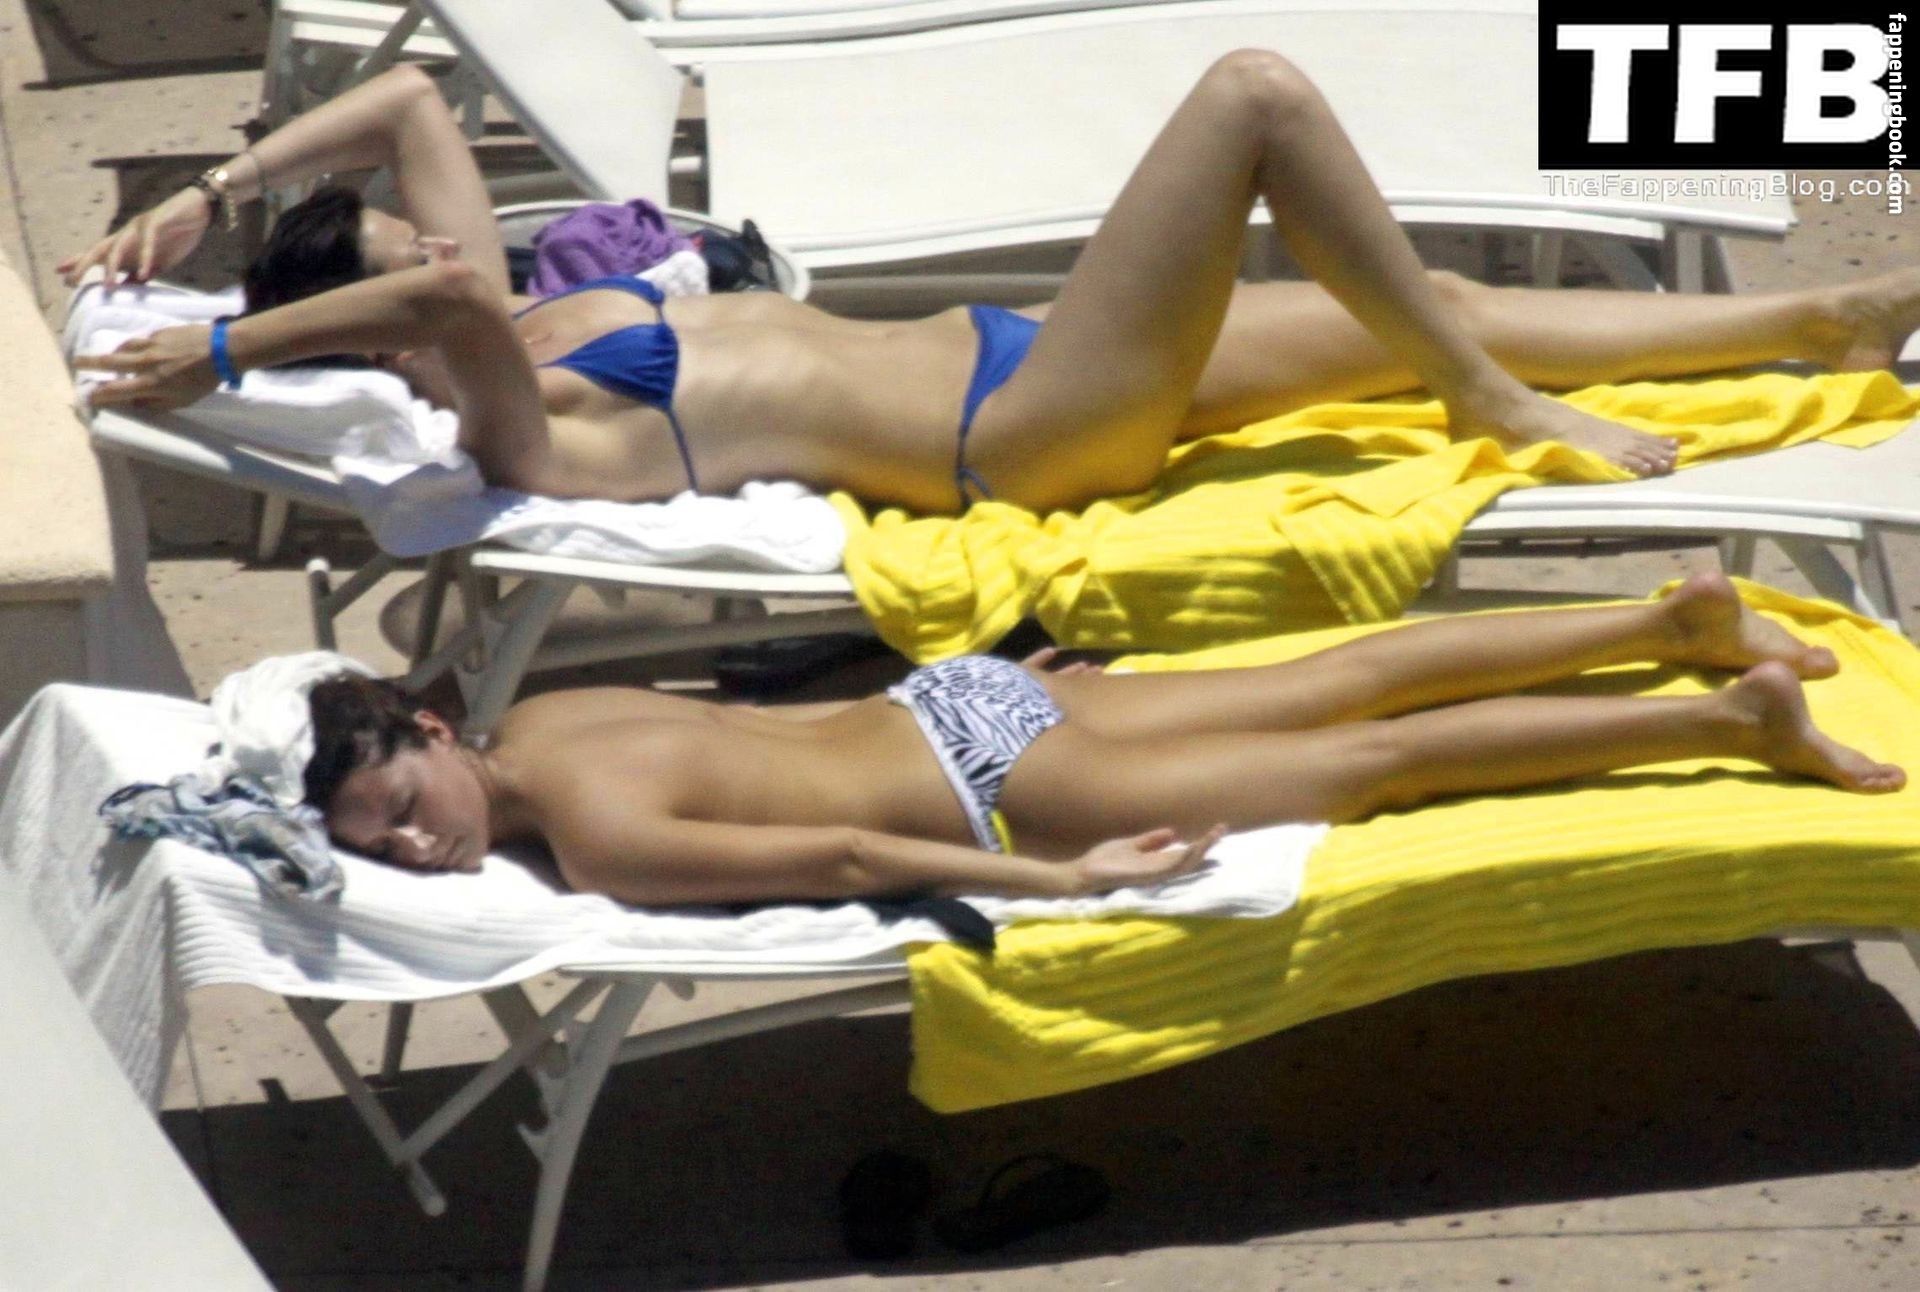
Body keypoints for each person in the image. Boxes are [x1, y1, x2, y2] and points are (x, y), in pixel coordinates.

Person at [65, 60, 1920, 510]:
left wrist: (212, 198)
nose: (446, 242)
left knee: (1420, 286)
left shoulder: (512, 306)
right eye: (405, 250)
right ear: (371, 323)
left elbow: (405, 102)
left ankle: (1821, 321)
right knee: (1257, 102)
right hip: (1019, 432)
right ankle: (1493, 402)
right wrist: (225, 339)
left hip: (1019, 357)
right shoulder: (507, 411)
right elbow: (441, 310)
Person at [300, 574, 1902, 904]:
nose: (420, 843)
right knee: (1353, 677)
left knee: (1378, 761)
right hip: (961, 701)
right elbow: (772, 739)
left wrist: (1065, 883)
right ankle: (1666, 626)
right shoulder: (542, 711)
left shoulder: (596, 847)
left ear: (431, 731)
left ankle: (1724, 712)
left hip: (1003, 776)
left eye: (404, 801)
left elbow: (848, 851)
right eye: (389, 846)